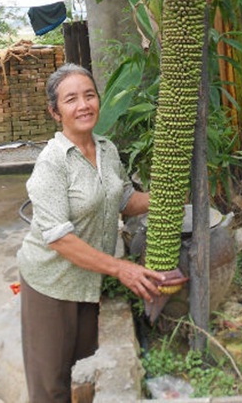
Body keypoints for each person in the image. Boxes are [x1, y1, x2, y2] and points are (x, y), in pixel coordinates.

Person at [17, 63, 166, 403]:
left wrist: (166, 197)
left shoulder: (107, 149)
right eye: (71, 99)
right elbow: (58, 237)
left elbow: (124, 199)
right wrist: (120, 268)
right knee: (49, 385)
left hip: (88, 279)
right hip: (51, 283)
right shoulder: (52, 163)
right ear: (55, 112)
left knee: (79, 367)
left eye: (89, 95)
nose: (83, 105)